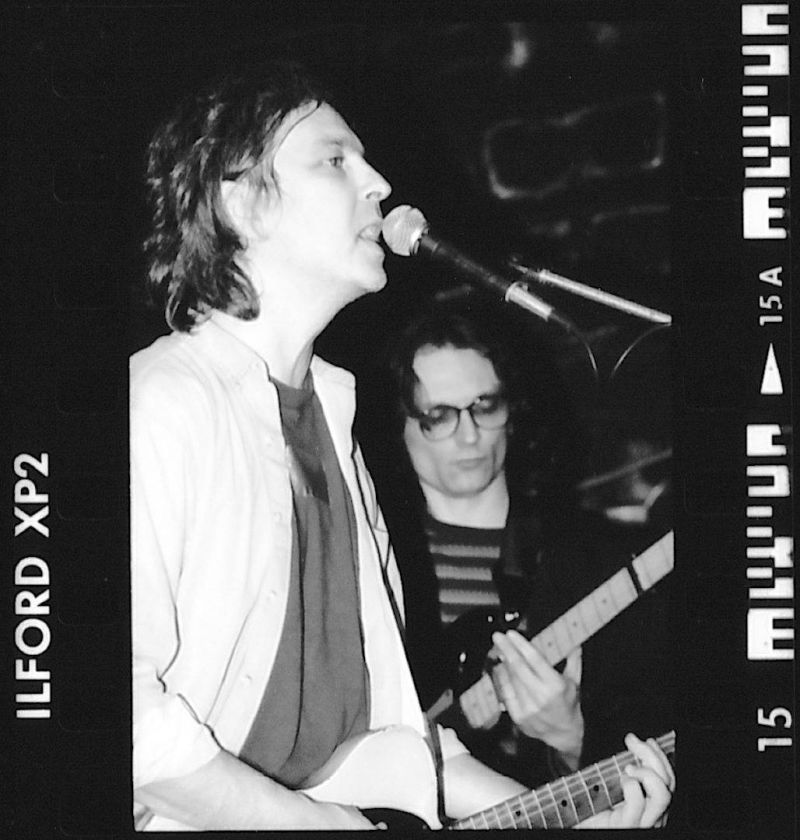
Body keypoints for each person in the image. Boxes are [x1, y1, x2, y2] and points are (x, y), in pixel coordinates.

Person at [130, 61, 674, 831]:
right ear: (242, 202)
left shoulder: (336, 427)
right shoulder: (163, 404)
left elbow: (392, 744)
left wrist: (565, 815)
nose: (379, 183)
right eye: (335, 160)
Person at [365, 296, 673, 789]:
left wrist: (572, 738)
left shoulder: (593, 561)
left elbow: (662, 759)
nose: (469, 436)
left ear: (512, 410)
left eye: (484, 406)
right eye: (438, 416)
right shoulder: (371, 561)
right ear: (399, 427)